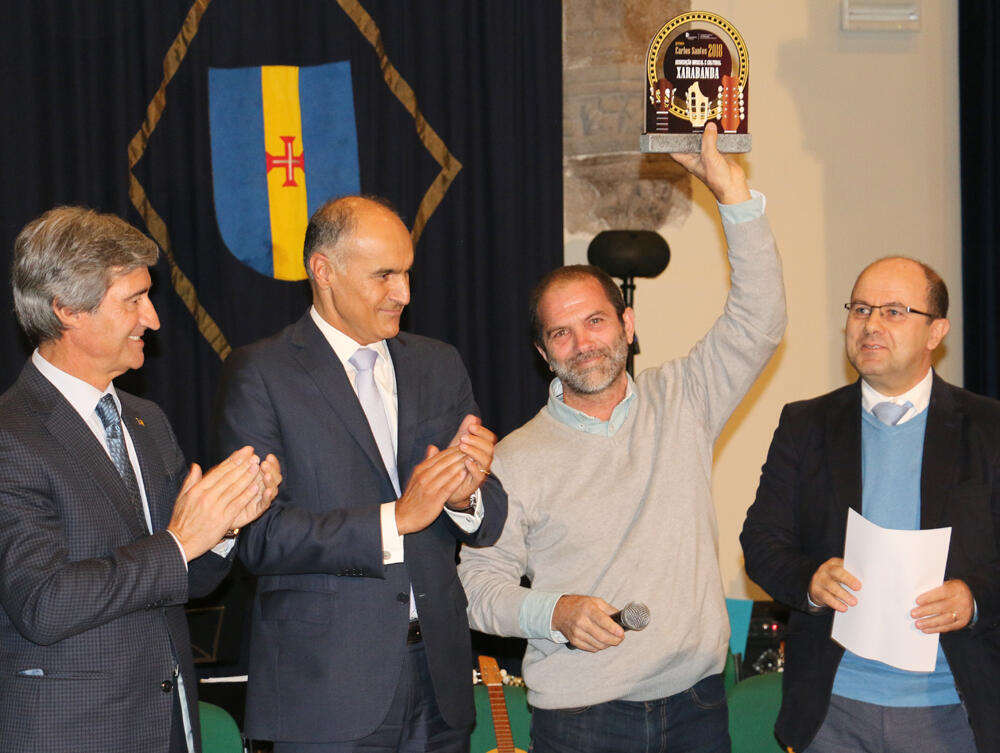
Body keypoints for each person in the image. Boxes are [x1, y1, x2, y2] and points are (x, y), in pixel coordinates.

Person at [457, 122, 787, 753]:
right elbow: (476, 589)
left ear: (627, 325)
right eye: (561, 333)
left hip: (698, 703)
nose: (583, 344)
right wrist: (551, 613)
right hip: (582, 720)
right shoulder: (513, 459)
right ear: (542, 352)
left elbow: (760, 320)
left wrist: (732, 193)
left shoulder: (685, 397)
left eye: (596, 321)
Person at [216, 195, 508, 752]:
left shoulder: (437, 362)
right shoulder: (262, 373)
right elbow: (256, 536)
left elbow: (488, 513)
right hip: (327, 690)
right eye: (385, 275)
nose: (404, 293)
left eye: (406, 273)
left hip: (440, 679)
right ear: (323, 271)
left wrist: (465, 498)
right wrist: (395, 519)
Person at [0, 206, 281, 753]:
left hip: (170, 725)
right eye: (134, 300)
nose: (152, 319)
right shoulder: (11, 436)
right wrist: (181, 541)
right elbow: (44, 603)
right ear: (66, 311)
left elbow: (186, 581)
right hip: (72, 733)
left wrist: (222, 529)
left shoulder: (146, 421)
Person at [741, 257, 1000, 753]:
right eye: (861, 309)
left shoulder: (987, 429)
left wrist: (975, 598)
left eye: (895, 311)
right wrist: (810, 582)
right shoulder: (806, 424)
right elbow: (761, 542)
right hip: (833, 708)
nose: (871, 324)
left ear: (936, 332)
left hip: (952, 708)